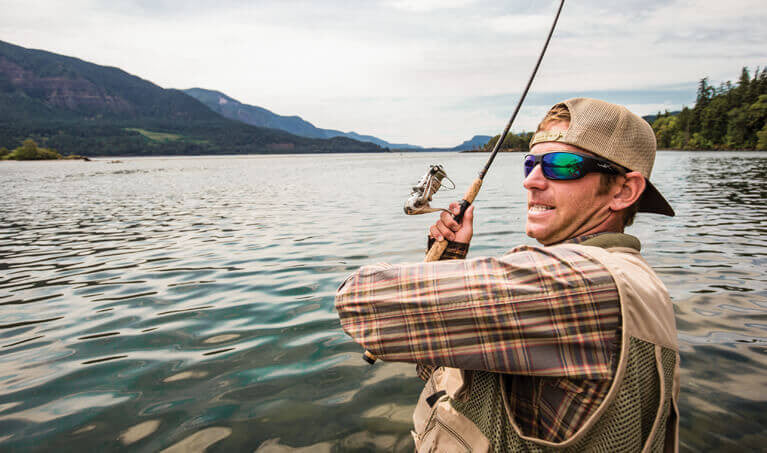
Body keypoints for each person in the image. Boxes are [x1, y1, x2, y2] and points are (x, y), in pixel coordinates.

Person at [335, 98, 680, 452]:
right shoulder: (634, 281)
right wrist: (449, 261)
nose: (531, 181)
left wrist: (428, 281)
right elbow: (438, 368)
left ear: (624, 191)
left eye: (562, 165)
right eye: (530, 163)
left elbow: (362, 303)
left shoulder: (579, 284)